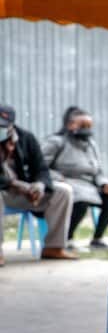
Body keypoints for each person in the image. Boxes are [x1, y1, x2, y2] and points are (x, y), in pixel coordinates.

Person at [0, 105, 77, 264]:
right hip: (4, 192)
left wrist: (39, 186)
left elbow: (42, 169)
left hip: (26, 193)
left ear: (11, 125)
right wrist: (15, 184)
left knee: (63, 191)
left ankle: (53, 247)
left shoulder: (26, 138)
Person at [44, 106, 108, 249]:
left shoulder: (91, 145)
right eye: (82, 125)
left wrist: (104, 184)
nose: (87, 129)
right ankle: (67, 238)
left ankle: (97, 239)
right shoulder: (56, 142)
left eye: (89, 126)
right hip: (66, 184)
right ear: (70, 125)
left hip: (89, 186)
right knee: (82, 201)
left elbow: (98, 171)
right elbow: (41, 167)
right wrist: (58, 177)